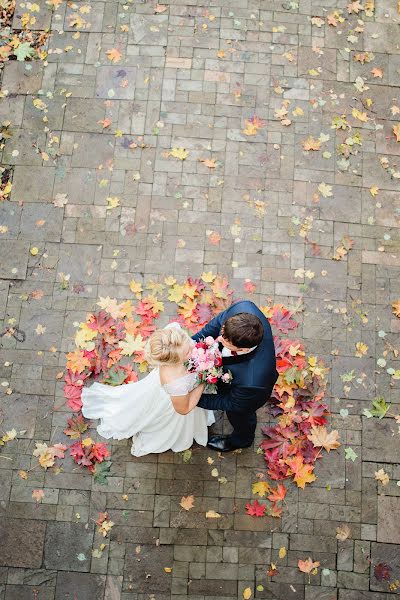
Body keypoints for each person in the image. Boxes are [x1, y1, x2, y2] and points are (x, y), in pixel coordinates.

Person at [81, 323, 215, 457]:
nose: (193, 347)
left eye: (187, 342)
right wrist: (203, 379)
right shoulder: (175, 383)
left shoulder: (171, 337)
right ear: (174, 361)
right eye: (187, 352)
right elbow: (183, 409)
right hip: (177, 401)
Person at [192, 300, 279, 452]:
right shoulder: (243, 308)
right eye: (222, 333)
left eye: (226, 342)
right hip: (233, 378)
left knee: (240, 417)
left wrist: (192, 400)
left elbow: (231, 403)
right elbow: (213, 328)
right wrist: (190, 347)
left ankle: (241, 440)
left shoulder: (253, 382)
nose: (219, 339)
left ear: (243, 349)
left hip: (248, 397)